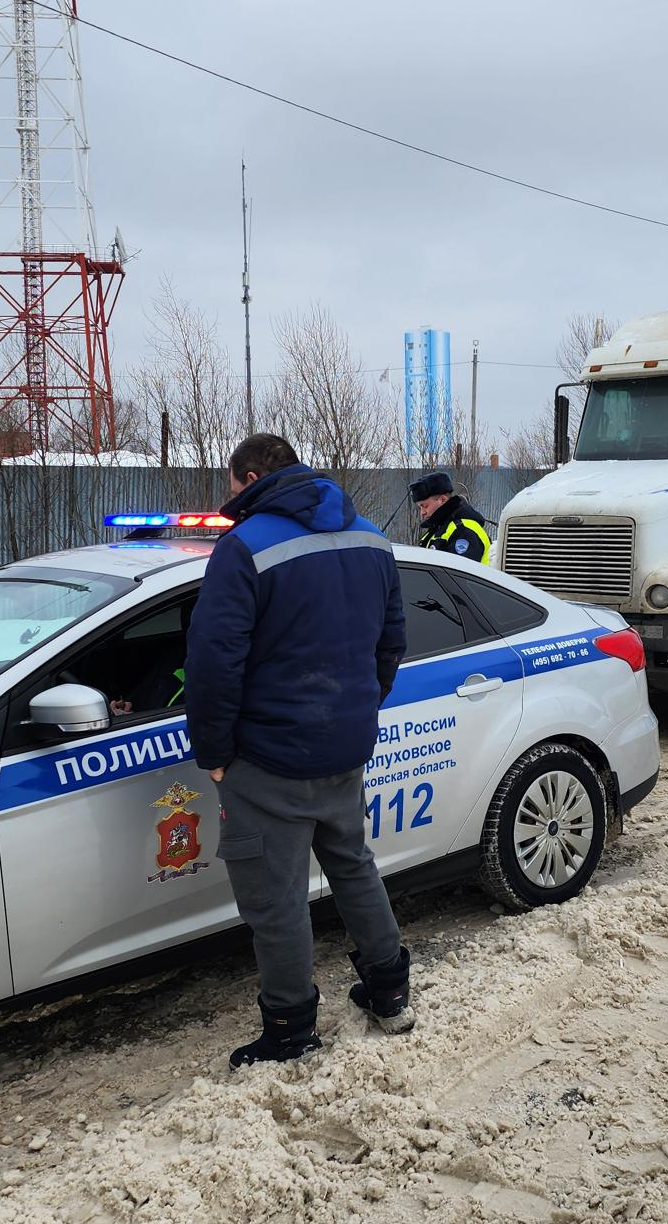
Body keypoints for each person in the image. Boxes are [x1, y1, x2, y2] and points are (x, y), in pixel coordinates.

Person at [185, 433, 413, 1067]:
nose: (232, 499)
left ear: (253, 475)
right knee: (352, 864)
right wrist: (358, 709)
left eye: (234, 486)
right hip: (344, 744)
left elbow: (213, 662)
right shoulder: (369, 535)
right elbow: (389, 643)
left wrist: (214, 750)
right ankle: (389, 988)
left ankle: (290, 1028)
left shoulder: (243, 547)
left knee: (274, 897)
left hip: (267, 756)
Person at [410, 470, 493, 565]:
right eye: (420, 507)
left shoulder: (464, 531)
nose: (422, 513)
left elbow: (458, 576)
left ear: (442, 500)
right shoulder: (438, 529)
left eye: (425, 506)